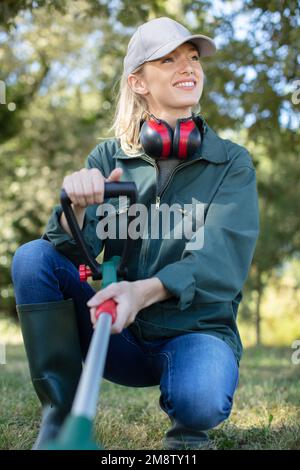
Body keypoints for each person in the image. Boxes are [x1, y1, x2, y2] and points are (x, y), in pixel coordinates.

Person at [11, 17, 259, 450]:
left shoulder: (231, 163)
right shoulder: (108, 156)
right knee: (32, 258)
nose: (189, 68)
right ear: (138, 82)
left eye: (193, 57)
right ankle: (58, 415)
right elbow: (63, 252)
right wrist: (77, 208)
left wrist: (141, 292)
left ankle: (187, 431)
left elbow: (223, 262)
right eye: (169, 59)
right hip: (113, 332)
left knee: (200, 399)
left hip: (194, 331)